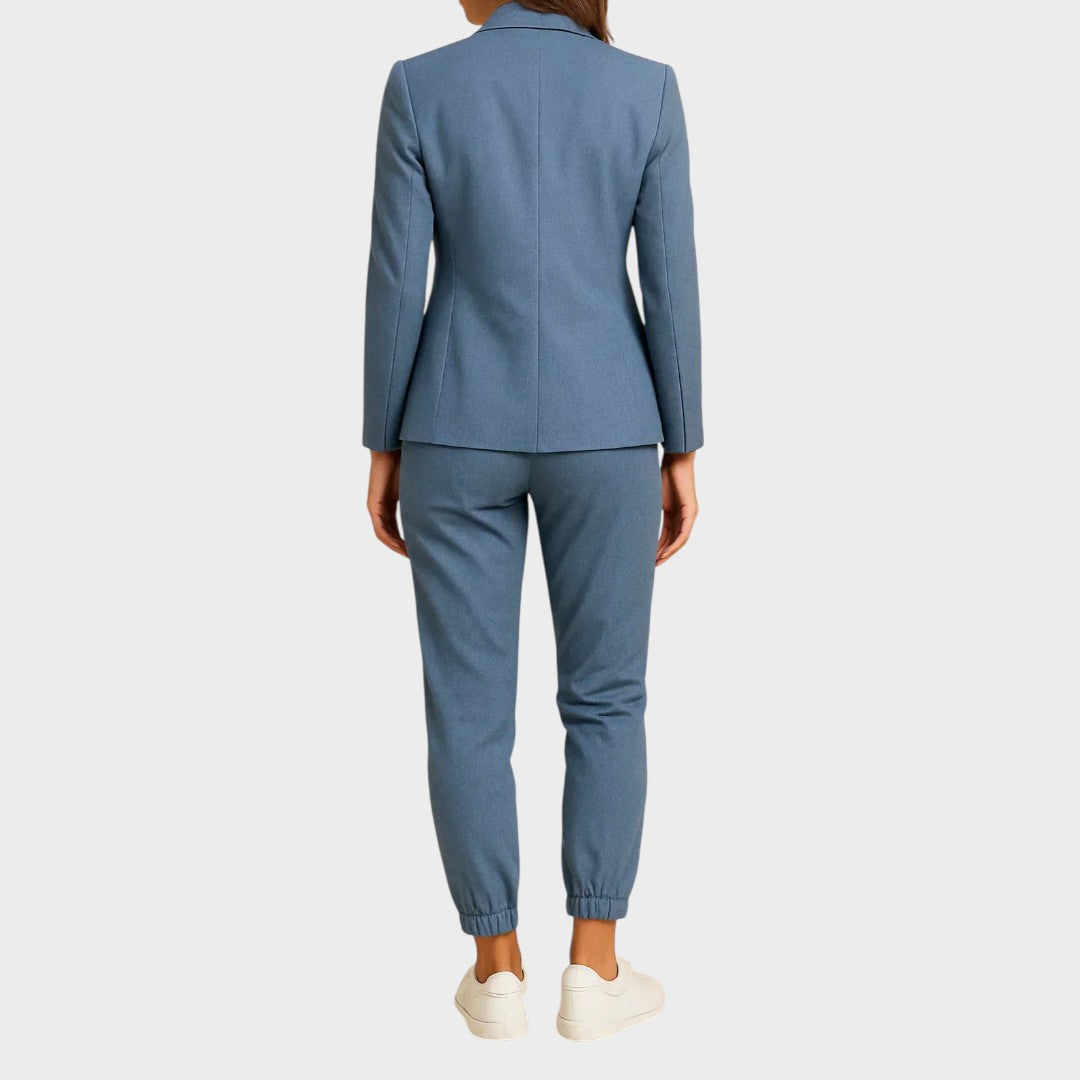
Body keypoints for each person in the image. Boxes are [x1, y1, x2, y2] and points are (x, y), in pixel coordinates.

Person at [363, 0, 701, 1041]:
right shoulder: (645, 90)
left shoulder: (420, 85)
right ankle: (594, 971)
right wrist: (682, 444)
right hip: (609, 424)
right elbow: (671, 279)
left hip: (454, 421)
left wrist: (382, 442)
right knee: (607, 698)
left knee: (466, 709)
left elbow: (395, 280)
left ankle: (496, 969)